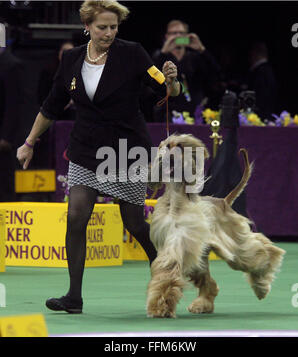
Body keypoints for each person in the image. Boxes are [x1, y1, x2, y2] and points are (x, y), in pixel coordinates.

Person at [17, 0, 180, 314]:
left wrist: (172, 79)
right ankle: (73, 297)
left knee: (134, 223)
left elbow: (166, 89)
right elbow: (51, 106)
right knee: (77, 216)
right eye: (102, 27)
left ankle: (165, 268)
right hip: (86, 150)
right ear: (87, 26)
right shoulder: (71, 59)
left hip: (125, 150)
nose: (108, 33)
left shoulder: (133, 53)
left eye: (113, 27)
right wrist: (29, 141)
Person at [152, 19, 221, 122]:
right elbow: (151, 80)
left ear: (187, 36)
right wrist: (163, 52)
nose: (177, 36)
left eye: (181, 33)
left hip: (195, 112)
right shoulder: (160, 56)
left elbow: (216, 74)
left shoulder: (195, 57)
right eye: (174, 33)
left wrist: (202, 49)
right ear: (166, 36)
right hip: (168, 114)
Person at [0, 42, 24, 202]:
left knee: (3, 184)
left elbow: (14, 104)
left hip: (2, 138)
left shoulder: (11, 65)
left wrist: (7, 137)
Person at [245, 41, 278, 121]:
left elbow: (261, 98)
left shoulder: (261, 72)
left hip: (260, 120)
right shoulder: (268, 71)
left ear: (254, 53)